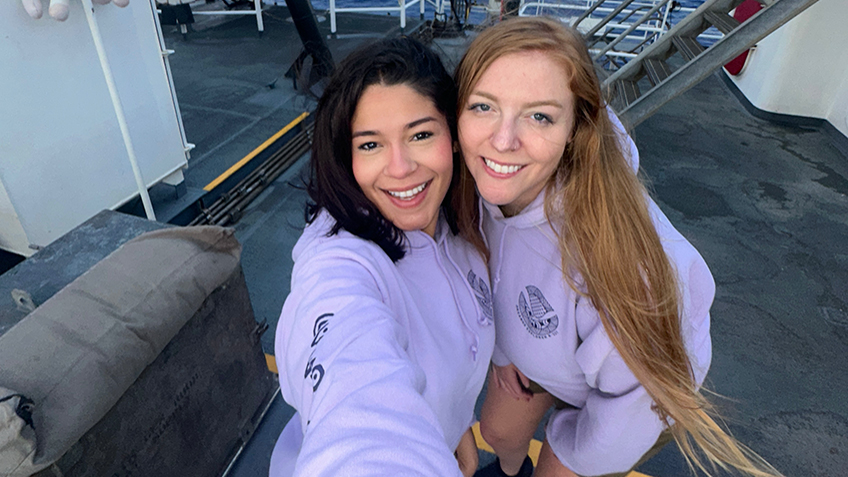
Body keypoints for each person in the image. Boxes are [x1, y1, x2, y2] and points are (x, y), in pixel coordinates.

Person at [453, 17, 781, 477]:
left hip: (635, 391)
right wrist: (506, 352)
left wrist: (571, 452)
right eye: (483, 107)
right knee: (500, 432)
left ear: (577, 126)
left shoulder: (620, 264)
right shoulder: (477, 184)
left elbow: (637, 403)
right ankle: (509, 472)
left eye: (540, 116)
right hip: (547, 352)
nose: (503, 141)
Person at [271, 37, 494, 477]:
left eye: (420, 134)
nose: (399, 167)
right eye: (370, 145)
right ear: (346, 156)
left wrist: (455, 424)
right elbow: (353, 378)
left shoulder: (463, 217)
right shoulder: (341, 264)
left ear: (453, 136)